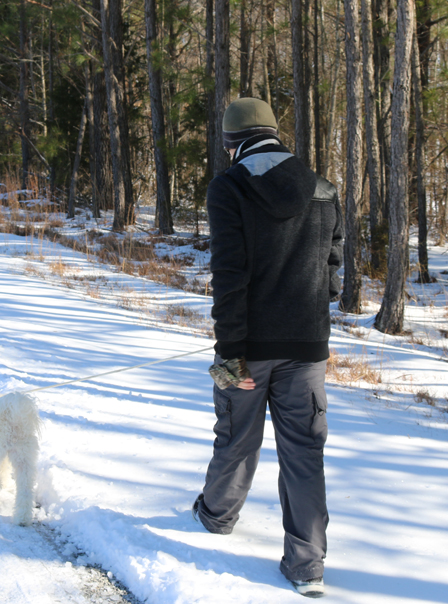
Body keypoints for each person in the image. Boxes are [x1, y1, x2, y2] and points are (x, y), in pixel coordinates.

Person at [192, 98, 343, 599]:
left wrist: (228, 353)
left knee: (236, 436)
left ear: (232, 142)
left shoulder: (228, 187)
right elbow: (333, 273)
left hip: (249, 347)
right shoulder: (324, 188)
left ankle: (215, 516)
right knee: (304, 454)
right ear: (276, 135)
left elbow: (228, 277)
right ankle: (307, 566)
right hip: (308, 349)